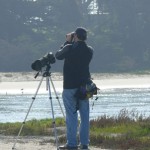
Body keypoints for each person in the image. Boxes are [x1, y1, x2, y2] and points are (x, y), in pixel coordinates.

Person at [55, 27, 94, 150]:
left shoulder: (69, 47)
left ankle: (72, 144)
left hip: (70, 86)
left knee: (71, 115)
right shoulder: (89, 50)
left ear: (75, 36)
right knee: (85, 115)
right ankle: (84, 144)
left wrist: (67, 41)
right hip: (85, 86)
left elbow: (58, 55)